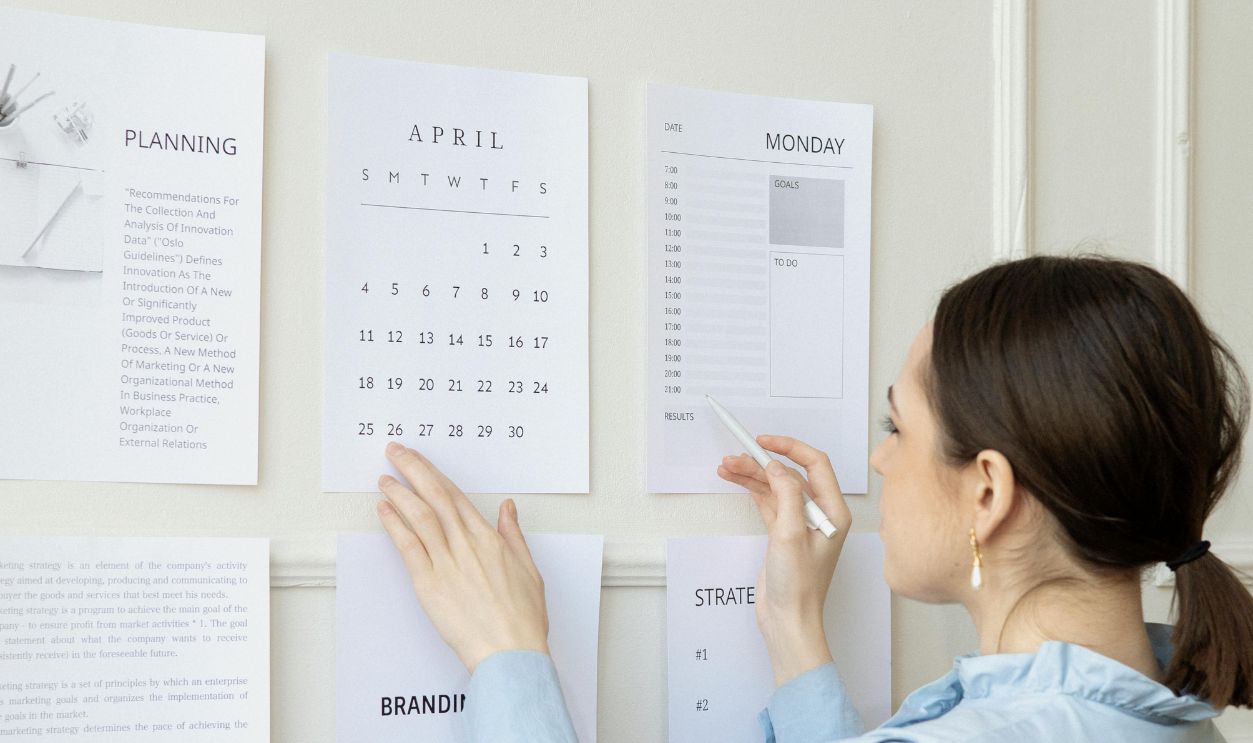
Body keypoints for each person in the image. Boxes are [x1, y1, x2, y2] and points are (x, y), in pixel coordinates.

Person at [374, 255, 1253, 742]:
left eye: (896, 425)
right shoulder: (1174, 716)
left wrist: (507, 656)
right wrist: (794, 627)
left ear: (987, 490)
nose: (878, 457)